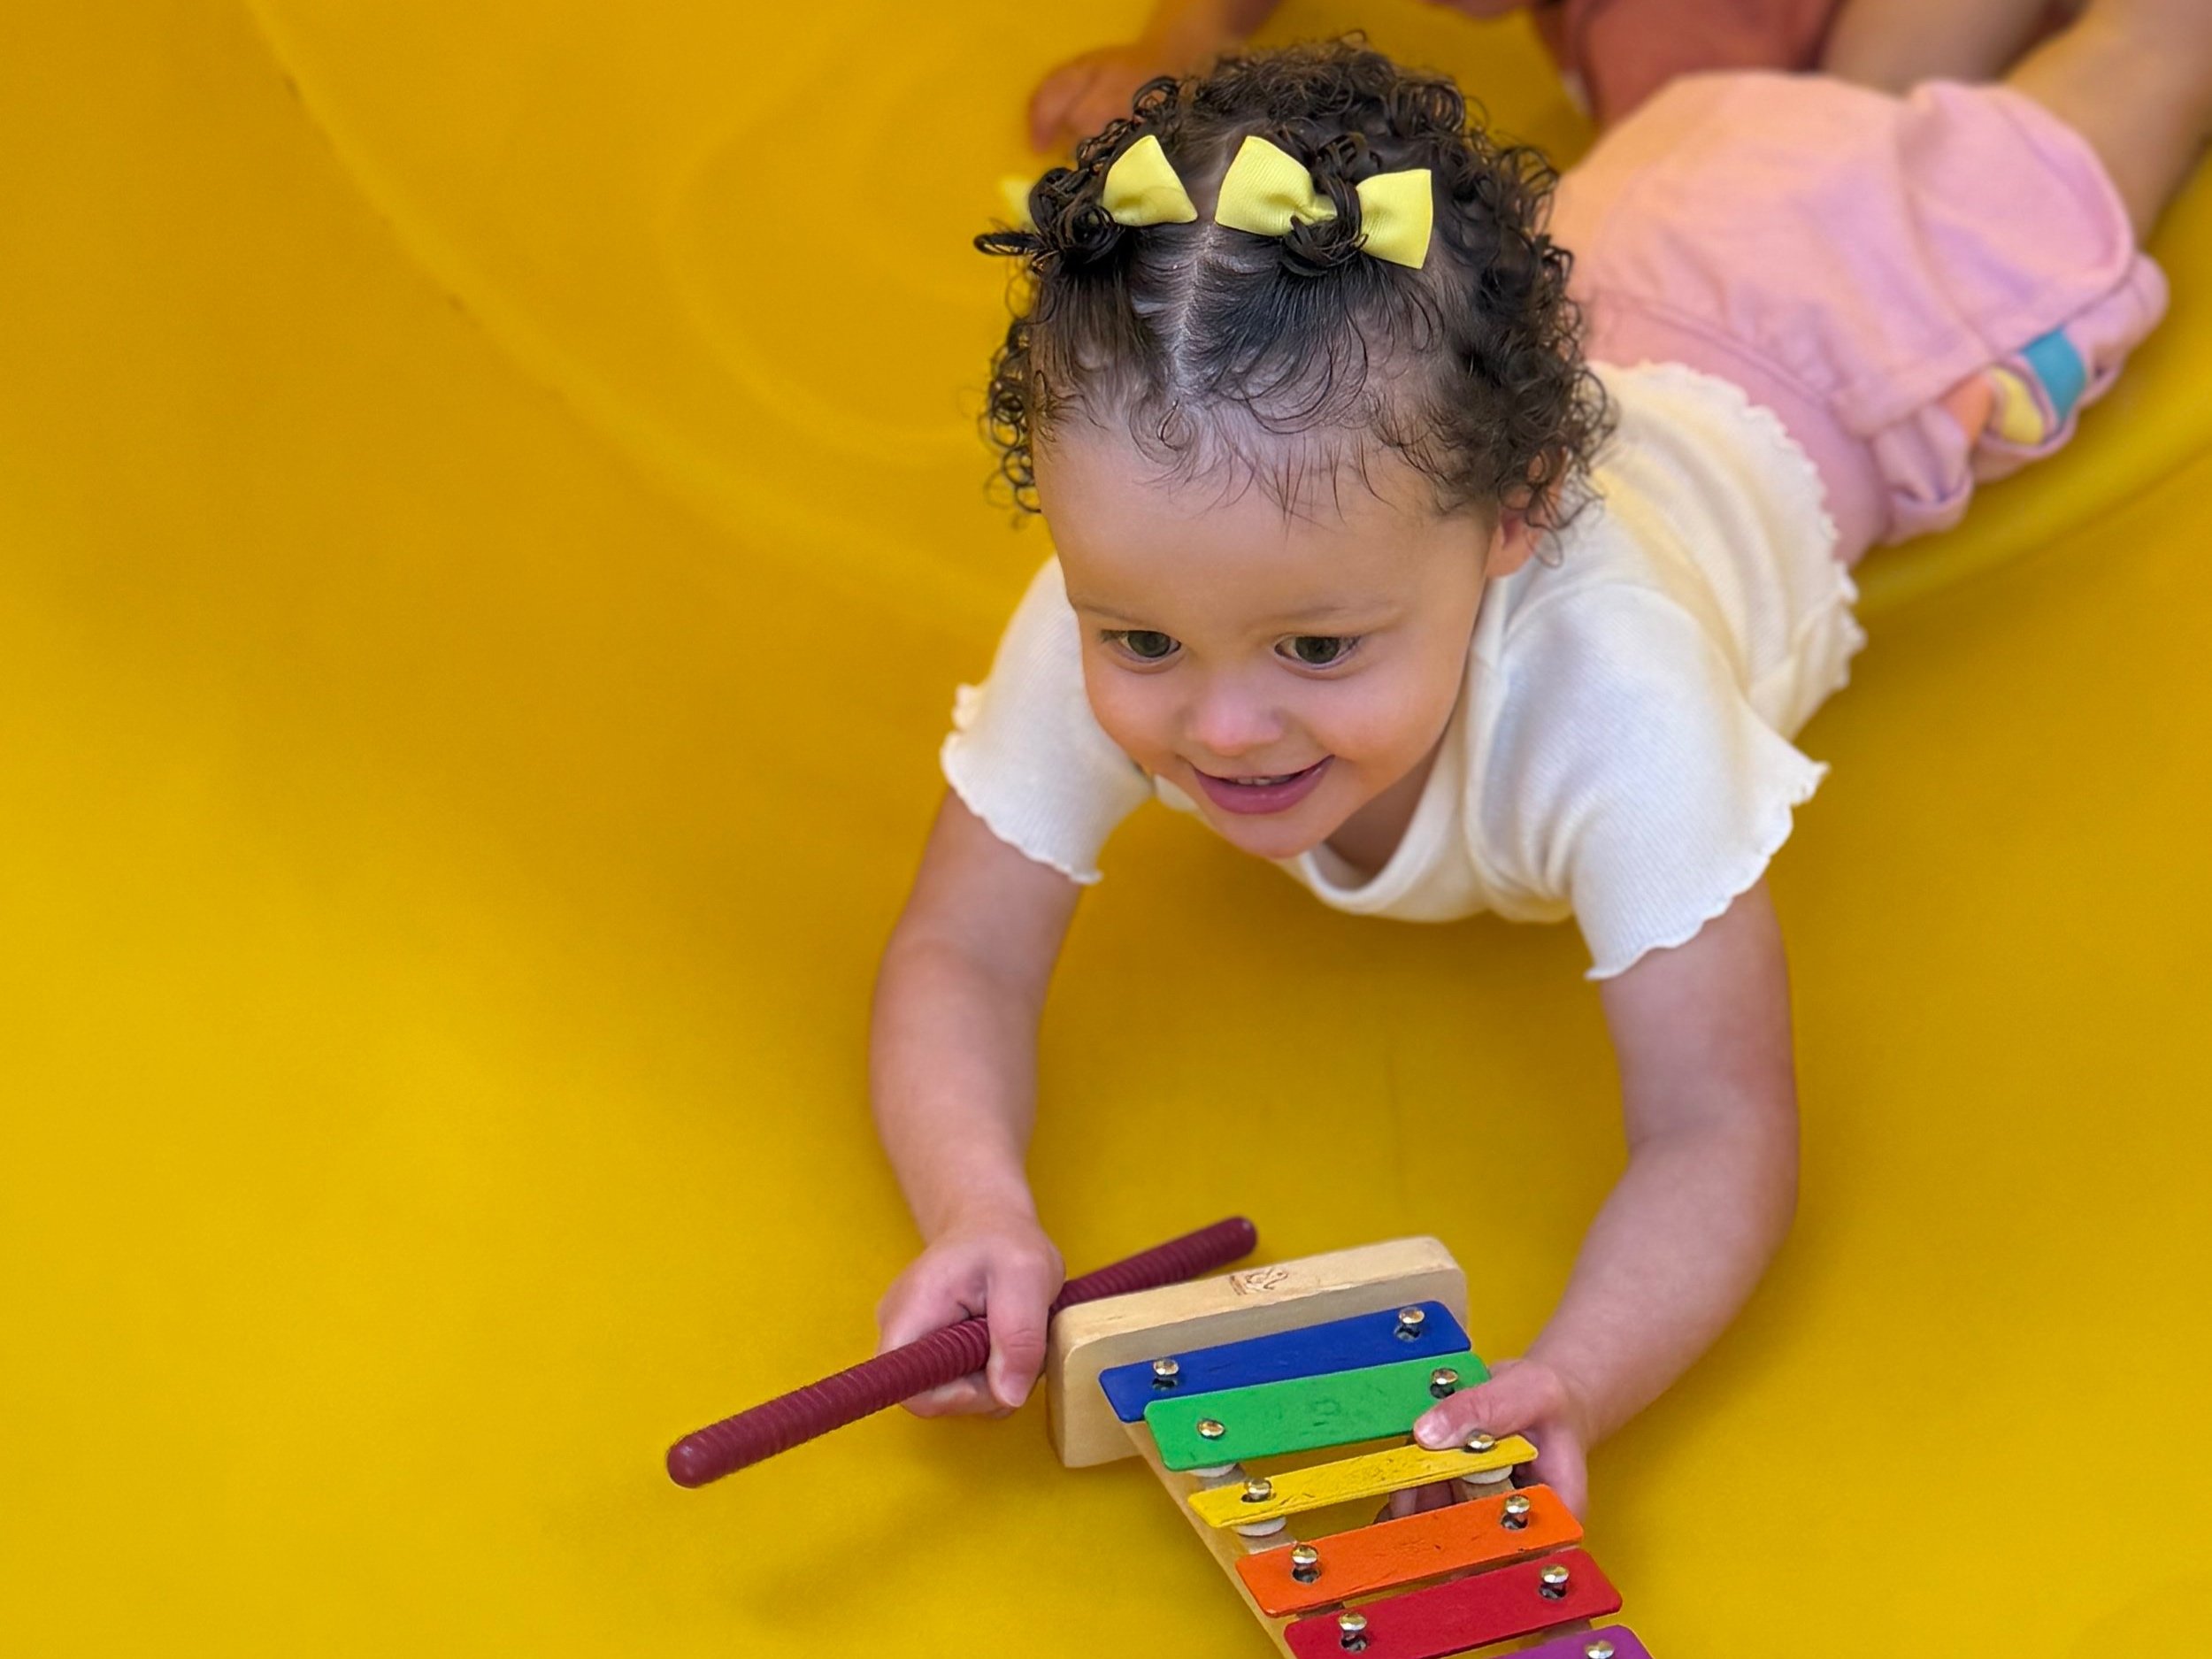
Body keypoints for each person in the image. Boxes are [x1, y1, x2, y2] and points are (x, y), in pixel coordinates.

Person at [874, 0, 2203, 1517]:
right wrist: (977, 1207)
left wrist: (1581, 1367)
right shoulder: (1175, 568)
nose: (1222, 728)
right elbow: (959, 954)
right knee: (1847, 105)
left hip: (1845, 326)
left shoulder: (1614, 698)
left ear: (1516, 518)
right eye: (1141, 647)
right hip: (1645, 223)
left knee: (2149, 58)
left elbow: (1721, 1126)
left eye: (1318, 651)